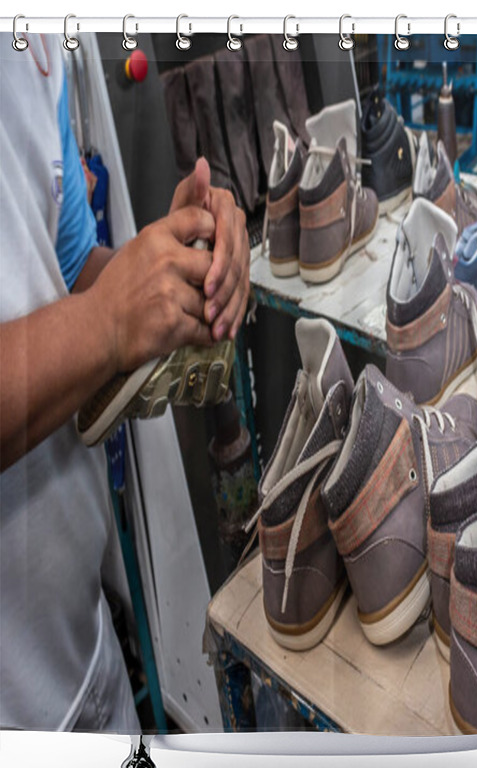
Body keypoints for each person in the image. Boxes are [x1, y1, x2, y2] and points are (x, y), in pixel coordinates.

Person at [0, 34, 250, 731]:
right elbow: (94, 315)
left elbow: (69, 263)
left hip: (80, 648)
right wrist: (110, 323)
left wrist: (174, 269)